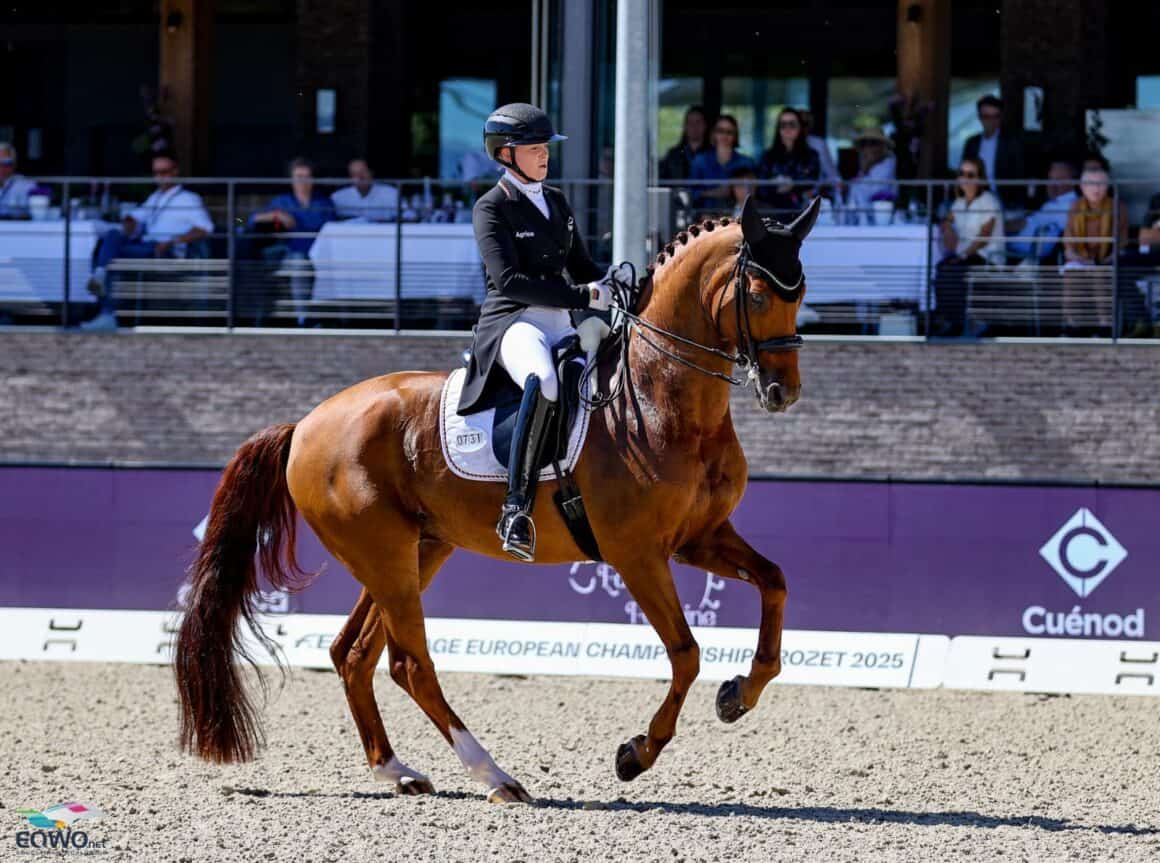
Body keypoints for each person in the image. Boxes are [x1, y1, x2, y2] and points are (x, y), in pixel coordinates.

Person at [458, 103, 622, 562]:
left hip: (561, 324)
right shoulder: (491, 207)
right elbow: (508, 280)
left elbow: (583, 268)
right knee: (545, 381)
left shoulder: (557, 202)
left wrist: (620, 281)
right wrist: (583, 298)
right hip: (515, 322)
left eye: (545, 147)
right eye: (534, 149)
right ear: (506, 155)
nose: (544, 155)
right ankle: (516, 508)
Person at [81, 152, 213, 331]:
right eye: (156, 172)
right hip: (145, 246)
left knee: (106, 256)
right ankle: (101, 277)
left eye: (164, 171)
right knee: (111, 237)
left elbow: (205, 228)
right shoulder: (156, 197)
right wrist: (129, 223)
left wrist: (173, 241)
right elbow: (135, 216)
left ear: (175, 171)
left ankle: (105, 306)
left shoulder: (188, 199)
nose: (159, 176)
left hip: (163, 250)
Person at [248, 157, 335, 325]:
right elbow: (245, 219)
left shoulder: (324, 202)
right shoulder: (282, 201)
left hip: (322, 257)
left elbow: (332, 230)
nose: (302, 181)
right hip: (290, 256)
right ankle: (304, 320)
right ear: (291, 179)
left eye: (306, 176)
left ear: (313, 179)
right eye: (298, 176)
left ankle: (339, 321)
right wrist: (276, 215)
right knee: (299, 262)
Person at [932, 157, 1005, 336]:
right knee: (941, 267)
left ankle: (955, 324)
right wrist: (948, 226)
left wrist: (962, 256)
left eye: (970, 174)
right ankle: (950, 320)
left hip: (987, 256)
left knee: (953, 268)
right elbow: (946, 222)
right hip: (966, 255)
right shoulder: (959, 203)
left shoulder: (989, 201)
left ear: (980, 178)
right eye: (962, 174)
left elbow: (984, 238)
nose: (965, 178)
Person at [1061, 167, 1129, 333]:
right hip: (1080, 260)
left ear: (1107, 186)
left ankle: (1105, 328)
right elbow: (1068, 243)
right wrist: (1079, 259)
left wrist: (1103, 261)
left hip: (1106, 260)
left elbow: (1121, 242)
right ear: (1082, 187)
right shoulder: (1075, 207)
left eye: (1101, 184)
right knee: (1073, 277)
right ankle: (1074, 328)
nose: (1096, 189)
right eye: (1091, 184)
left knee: (1101, 276)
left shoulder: (1117, 207)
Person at [1006, 161, 1079, 263]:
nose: (1051, 184)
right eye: (1050, 179)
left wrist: (999, 226)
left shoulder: (1066, 206)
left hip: (1022, 254)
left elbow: (1024, 223)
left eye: (1057, 179)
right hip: (1022, 249)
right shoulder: (1059, 203)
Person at [963, 95, 1026, 209]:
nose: (991, 121)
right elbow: (964, 172)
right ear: (980, 117)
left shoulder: (1011, 143)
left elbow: (1020, 173)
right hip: (976, 198)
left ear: (1001, 118)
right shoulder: (972, 143)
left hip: (1004, 200)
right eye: (987, 116)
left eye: (996, 116)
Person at [757, 107, 820, 215]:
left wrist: (793, 184)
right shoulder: (768, 156)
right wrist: (776, 185)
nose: (787, 128)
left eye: (792, 124)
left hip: (803, 212)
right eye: (783, 124)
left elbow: (812, 181)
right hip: (772, 212)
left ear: (800, 127)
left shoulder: (811, 155)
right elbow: (761, 186)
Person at [688, 114, 754, 211]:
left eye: (729, 132)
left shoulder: (746, 162)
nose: (724, 136)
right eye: (720, 131)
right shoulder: (700, 161)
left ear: (735, 136)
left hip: (736, 216)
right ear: (714, 134)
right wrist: (713, 192)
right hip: (705, 216)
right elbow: (691, 193)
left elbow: (753, 193)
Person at [843, 127, 896, 224]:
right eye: (864, 144)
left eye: (873, 143)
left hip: (882, 219)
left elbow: (876, 190)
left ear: (882, 146)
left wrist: (866, 167)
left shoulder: (889, 163)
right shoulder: (866, 164)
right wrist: (865, 168)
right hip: (859, 220)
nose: (868, 148)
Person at [330, 158, 399, 221]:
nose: (360, 177)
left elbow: (406, 218)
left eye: (363, 172)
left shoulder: (391, 193)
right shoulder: (337, 197)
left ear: (371, 172)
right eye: (354, 174)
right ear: (350, 178)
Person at [659, 105, 708, 181]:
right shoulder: (673, 155)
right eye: (690, 122)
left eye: (698, 122)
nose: (694, 126)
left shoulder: (712, 155)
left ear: (705, 125)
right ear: (685, 127)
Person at [798, 109, 840, 194]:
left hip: (812, 197)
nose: (803, 128)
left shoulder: (817, 144)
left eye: (806, 124)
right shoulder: (782, 146)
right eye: (799, 123)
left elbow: (833, 176)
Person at [0, 142, 39, 218]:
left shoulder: (27, 185)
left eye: (6, 163)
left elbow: (35, 215)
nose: (1, 167)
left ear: (14, 164)